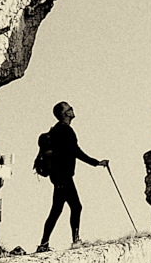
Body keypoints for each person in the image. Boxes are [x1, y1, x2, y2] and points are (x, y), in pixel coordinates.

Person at [37, 100, 107, 252]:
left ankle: (44, 244)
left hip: (58, 177)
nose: (72, 110)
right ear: (65, 113)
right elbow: (76, 151)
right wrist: (96, 162)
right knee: (75, 207)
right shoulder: (65, 131)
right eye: (70, 108)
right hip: (63, 177)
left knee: (57, 210)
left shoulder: (56, 130)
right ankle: (74, 241)